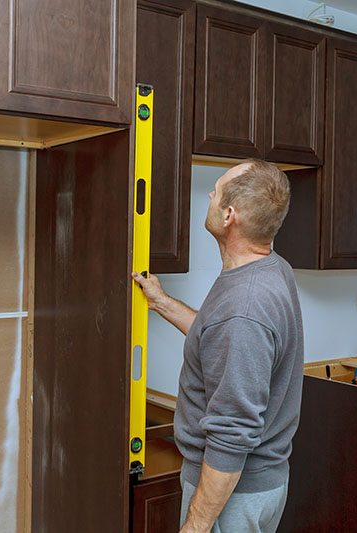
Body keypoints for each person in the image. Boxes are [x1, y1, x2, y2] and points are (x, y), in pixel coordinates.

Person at [132, 159, 304, 533]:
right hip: (255, 484)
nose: (209, 195)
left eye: (217, 190)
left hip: (232, 492)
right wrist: (162, 302)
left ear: (229, 216)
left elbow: (232, 434)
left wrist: (195, 527)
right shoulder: (271, 269)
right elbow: (222, 341)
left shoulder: (244, 307)